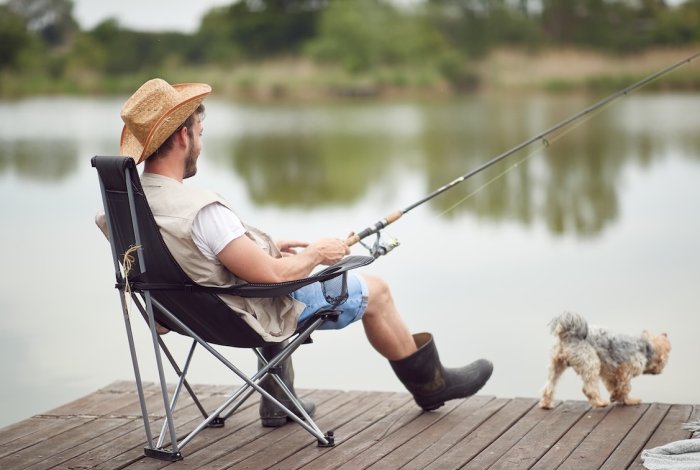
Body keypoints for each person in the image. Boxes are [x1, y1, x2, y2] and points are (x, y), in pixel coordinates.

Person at [108, 78, 493, 427]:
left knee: (272, 274)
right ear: (182, 138)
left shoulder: (126, 206)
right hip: (244, 312)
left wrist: (270, 246)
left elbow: (196, 257)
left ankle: (278, 401)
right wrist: (317, 254)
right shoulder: (203, 210)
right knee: (377, 291)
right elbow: (272, 278)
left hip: (188, 315)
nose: (201, 142)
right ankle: (432, 386)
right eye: (200, 132)